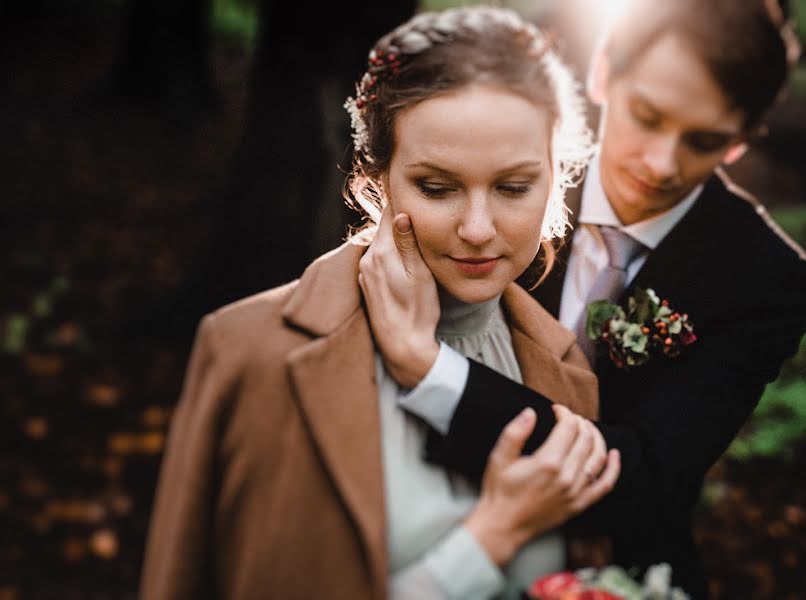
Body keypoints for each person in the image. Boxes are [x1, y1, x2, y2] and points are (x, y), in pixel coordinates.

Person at [139, 6, 623, 600]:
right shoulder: (248, 353)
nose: (477, 227)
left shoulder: (566, 366)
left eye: (513, 188)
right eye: (437, 187)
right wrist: (492, 537)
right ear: (375, 180)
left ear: (558, 179)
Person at [357, 0, 806, 598]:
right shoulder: (505, 174)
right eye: (647, 116)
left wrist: (431, 372)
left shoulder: (766, 278)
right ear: (603, 72)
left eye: (704, 141)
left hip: (621, 569)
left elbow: (651, 475)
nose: (661, 164)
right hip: (427, 523)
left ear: (740, 143)